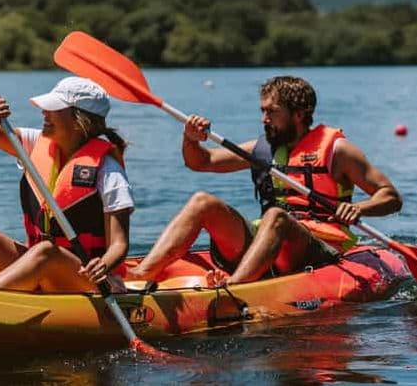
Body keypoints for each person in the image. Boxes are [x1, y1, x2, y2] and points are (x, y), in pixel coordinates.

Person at [126, 75, 401, 286]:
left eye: (272, 112)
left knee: (276, 216)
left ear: (299, 114)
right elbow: (202, 162)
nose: (264, 119)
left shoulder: (338, 151)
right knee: (202, 202)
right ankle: (141, 274)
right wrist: (190, 139)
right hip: (269, 241)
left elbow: (390, 195)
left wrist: (359, 208)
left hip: (319, 247)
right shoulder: (262, 150)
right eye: (263, 111)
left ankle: (234, 288)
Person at [0, 77, 134, 293]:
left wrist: (103, 264)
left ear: (80, 121)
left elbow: (119, 244)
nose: (44, 113)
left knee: (46, 251)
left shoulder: (109, 171)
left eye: (55, 109)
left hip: (88, 280)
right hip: (39, 266)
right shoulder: (35, 142)